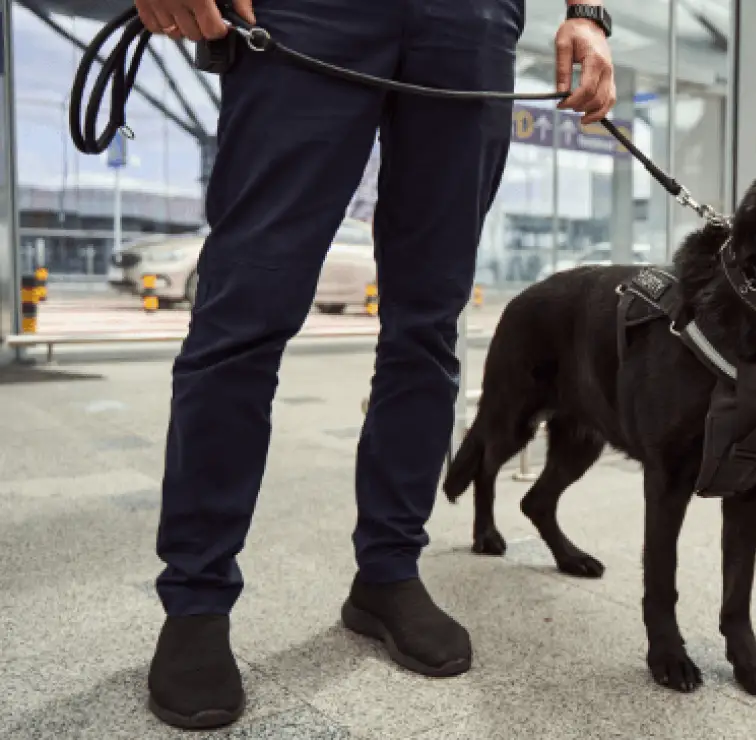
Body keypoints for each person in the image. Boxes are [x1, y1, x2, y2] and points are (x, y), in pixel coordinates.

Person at [136, 0, 615, 730]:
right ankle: (197, 599)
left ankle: (388, 571)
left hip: (470, 19)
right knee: (243, 313)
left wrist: (588, 12)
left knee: (427, 326)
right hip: (305, 10)